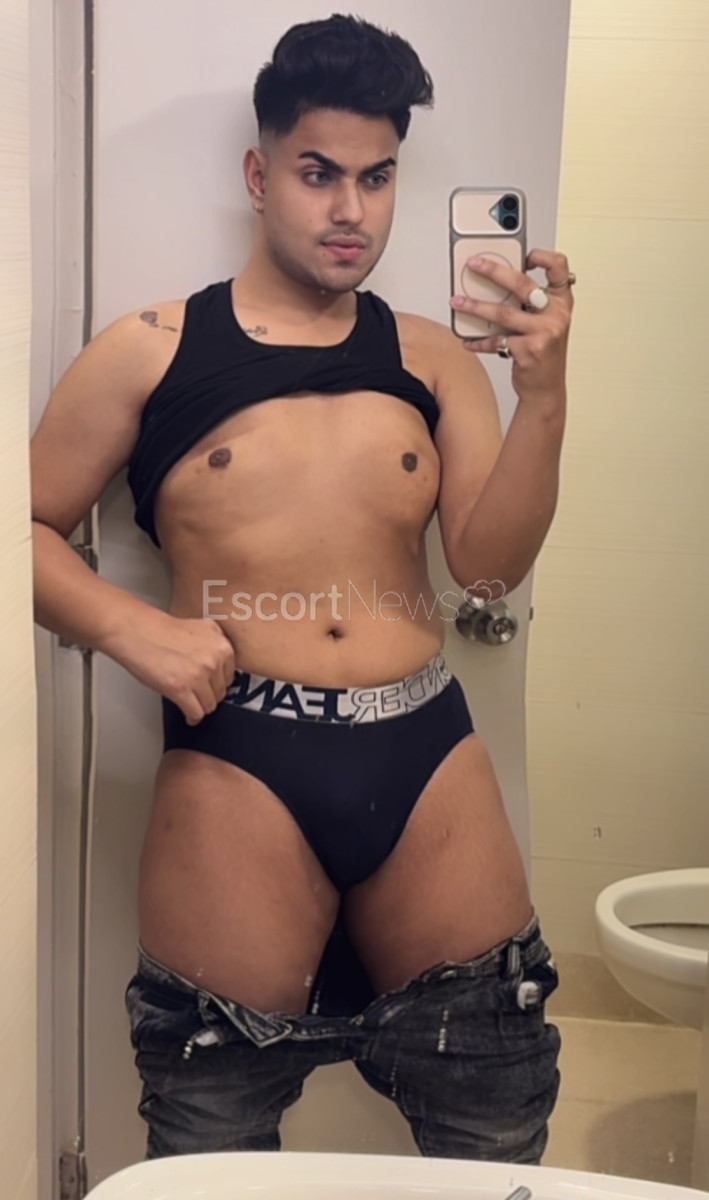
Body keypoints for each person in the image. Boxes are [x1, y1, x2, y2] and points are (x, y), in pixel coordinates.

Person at [31, 12, 573, 1164]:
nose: (350, 210)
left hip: (425, 754)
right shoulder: (150, 349)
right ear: (259, 174)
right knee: (212, 1136)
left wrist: (542, 398)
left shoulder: (429, 357)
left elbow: (488, 569)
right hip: (239, 762)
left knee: (495, 1107)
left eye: (376, 178)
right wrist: (128, 626)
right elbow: (16, 525)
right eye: (318, 173)